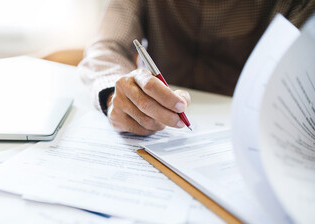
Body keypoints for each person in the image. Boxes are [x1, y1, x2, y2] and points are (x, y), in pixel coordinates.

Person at [78, 0, 315, 136]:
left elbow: (300, 78)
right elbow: (106, 47)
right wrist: (113, 94)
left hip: (248, 129)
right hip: (156, 129)